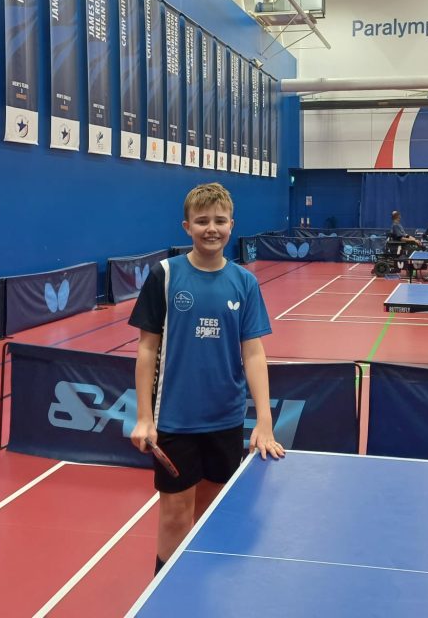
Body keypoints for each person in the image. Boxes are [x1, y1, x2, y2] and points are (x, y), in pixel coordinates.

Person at [129, 182, 285, 576]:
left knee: (212, 513)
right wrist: (144, 417)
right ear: (186, 227)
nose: (211, 228)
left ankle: (199, 588)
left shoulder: (245, 283)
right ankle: (167, 596)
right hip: (175, 421)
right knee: (175, 516)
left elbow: (253, 352)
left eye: (219, 220)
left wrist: (264, 422)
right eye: (202, 221)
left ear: (232, 224)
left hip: (226, 419)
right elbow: (147, 350)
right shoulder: (164, 276)